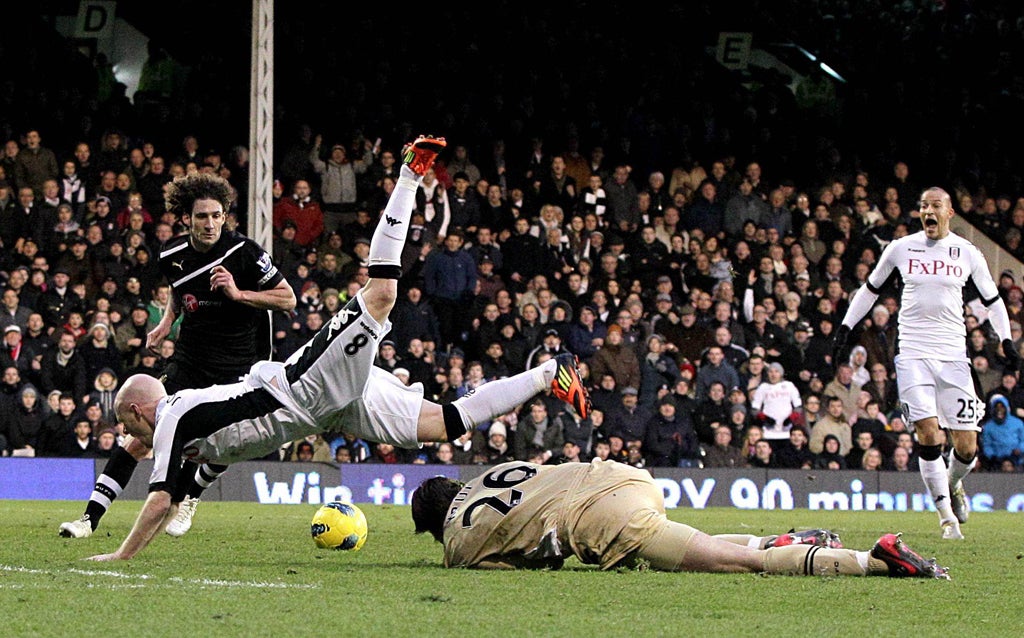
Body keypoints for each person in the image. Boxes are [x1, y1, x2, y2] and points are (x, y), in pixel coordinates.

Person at [83, 136, 592, 562]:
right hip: (327, 412)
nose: (132, 436)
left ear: (134, 409)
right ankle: (552, 373)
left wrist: (121, 556)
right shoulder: (185, 416)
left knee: (383, 293)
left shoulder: (172, 416)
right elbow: (227, 441)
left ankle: (411, 174)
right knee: (443, 426)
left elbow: (156, 501)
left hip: (306, 387)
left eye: (128, 426)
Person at [59, 171, 298, 539]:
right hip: (190, 360)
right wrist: (166, 322)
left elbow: (288, 299)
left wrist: (238, 294)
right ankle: (89, 519)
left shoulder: (244, 253)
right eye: (201, 216)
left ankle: (190, 497)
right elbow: (178, 289)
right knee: (141, 438)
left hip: (238, 366)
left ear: (224, 216)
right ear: (186, 218)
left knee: (217, 442)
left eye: (216, 215)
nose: (209, 223)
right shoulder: (171, 254)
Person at [833, 187, 1019, 539]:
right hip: (914, 353)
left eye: (935, 206)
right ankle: (946, 518)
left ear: (949, 212)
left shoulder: (968, 253)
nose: (927, 211)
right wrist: (845, 327)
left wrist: (1006, 338)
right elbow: (870, 290)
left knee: (966, 447)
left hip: (953, 357)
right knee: (928, 434)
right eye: (923, 206)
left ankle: (952, 485)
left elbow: (993, 300)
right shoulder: (901, 248)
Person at [411, 459, 949, 579]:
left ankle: (873, 561)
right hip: (623, 477)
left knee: (733, 563)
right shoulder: (493, 470)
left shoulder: (457, 545)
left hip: (599, 517)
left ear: (433, 525)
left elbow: (519, 565)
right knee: (683, 544)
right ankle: (781, 538)